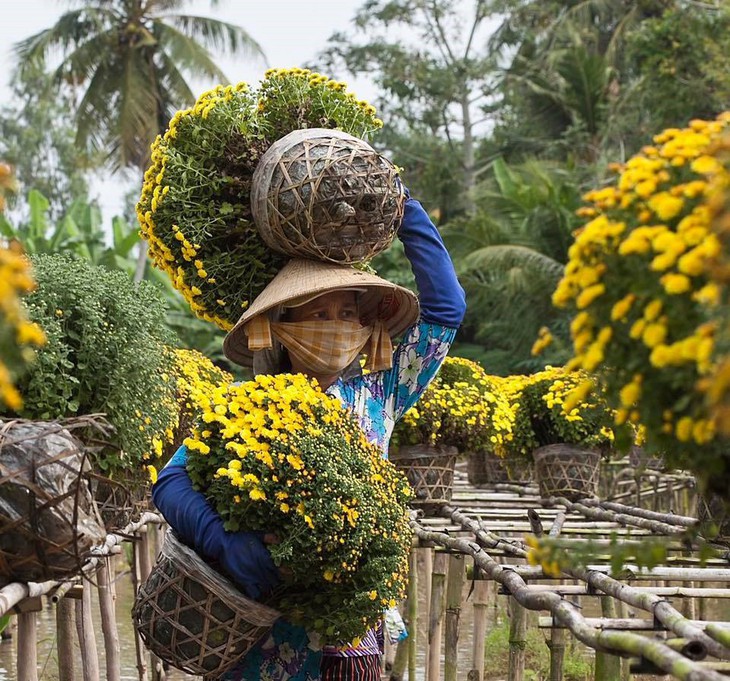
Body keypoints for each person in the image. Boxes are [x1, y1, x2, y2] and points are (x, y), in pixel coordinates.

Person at [152, 189, 466, 680]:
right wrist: (224, 541)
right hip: (263, 635)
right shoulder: (249, 407)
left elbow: (446, 311)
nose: (336, 327)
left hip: (352, 633)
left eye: (346, 314)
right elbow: (170, 483)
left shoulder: (378, 396)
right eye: (318, 316)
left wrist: (403, 209)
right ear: (282, 327)